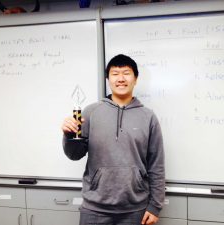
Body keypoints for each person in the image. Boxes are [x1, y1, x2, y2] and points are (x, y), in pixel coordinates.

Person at [62, 54, 165, 225]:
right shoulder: (90, 112)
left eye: (126, 73)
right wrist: (69, 135)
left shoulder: (148, 117)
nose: (121, 78)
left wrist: (155, 206)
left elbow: (157, 165)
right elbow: (74, 155)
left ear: (136, 79)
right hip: (94, 209)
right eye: (115, 74)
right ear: (108, 79)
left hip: (135, 209)